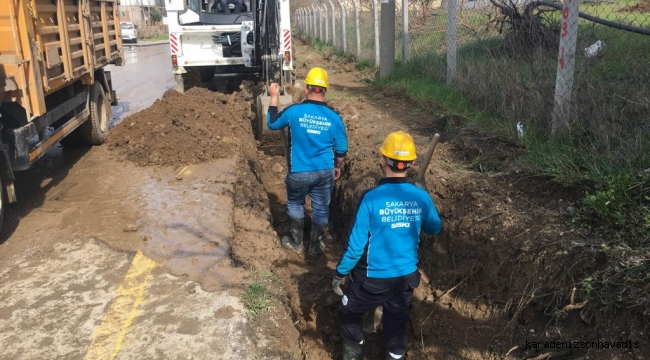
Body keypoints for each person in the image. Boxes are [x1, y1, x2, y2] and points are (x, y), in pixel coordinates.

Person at [331, 131, 442, 360]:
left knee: (349, 312)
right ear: (410, 164)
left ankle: (354, 354)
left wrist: (341, 273)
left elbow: (356, 245)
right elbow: (434, 228)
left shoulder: (371, 198)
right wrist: (423, 195)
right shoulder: (420, 197)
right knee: (397, 322)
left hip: (370, 281)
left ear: (383, 161)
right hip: (404, 279)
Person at [267, 67, 348, 258]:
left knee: (295, 203)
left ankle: (296, 243)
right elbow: (342, 151)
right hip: (324, 171)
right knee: (320, 207)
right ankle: (315, 245)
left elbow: (272, 123)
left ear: (306, 89)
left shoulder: (294, 111)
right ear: (325, 90)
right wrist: (337, 167)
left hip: (299, 172)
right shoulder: (335, 118)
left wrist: (273, 97)